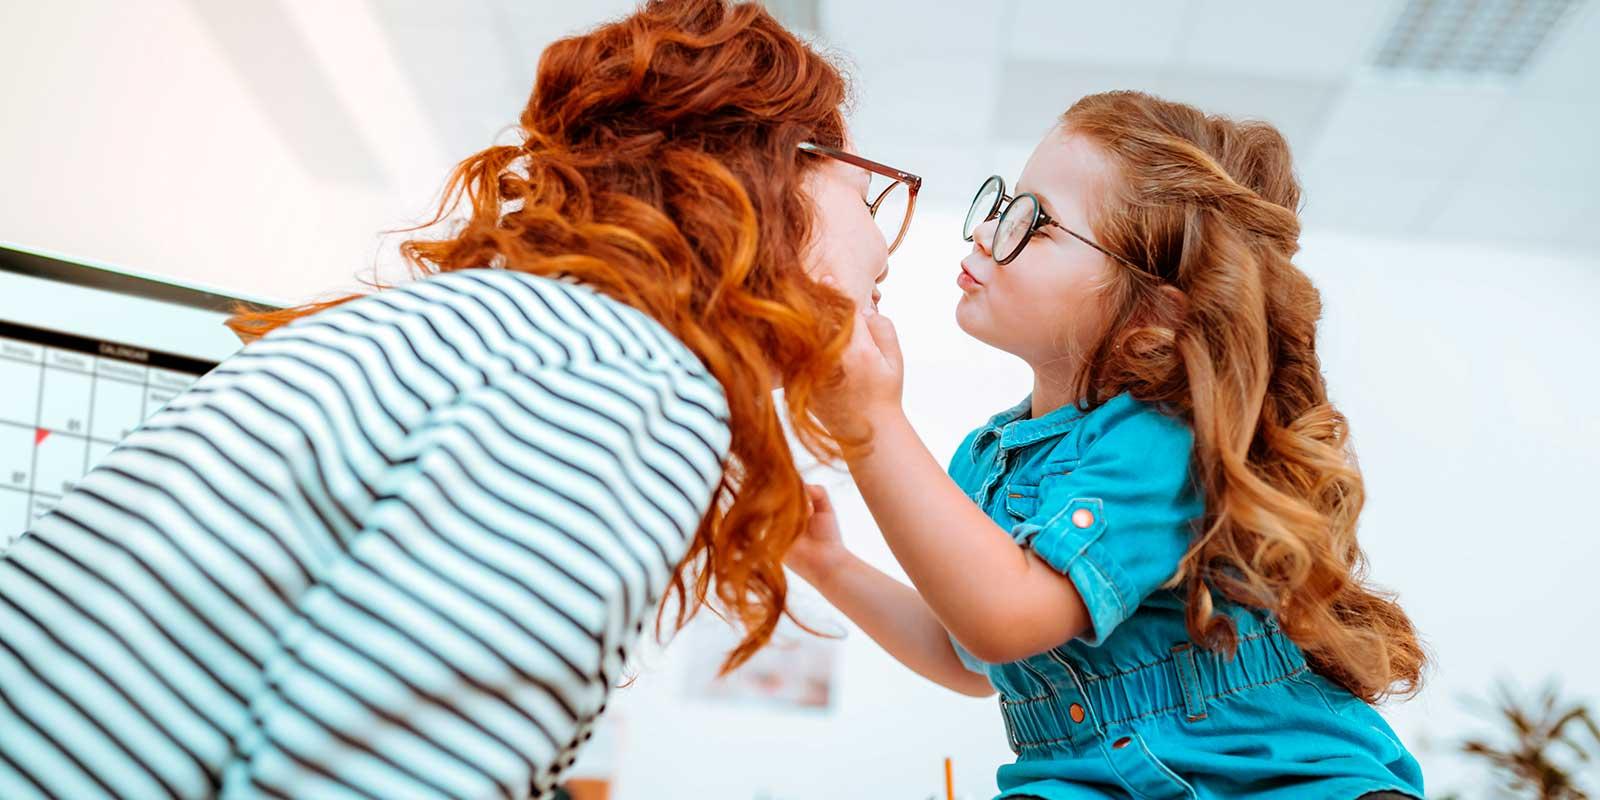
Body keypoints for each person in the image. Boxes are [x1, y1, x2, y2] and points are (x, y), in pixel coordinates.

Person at [0, 1, 916, 797]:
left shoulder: (512, 326)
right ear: (776, 174)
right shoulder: (626, 378)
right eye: (871, 190)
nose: (886, 245)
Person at [791, 91, 1427, 799]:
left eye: (1035, 224)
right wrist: (831, 565)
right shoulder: (983, 459)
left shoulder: (1162, 439)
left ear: (1151, 309)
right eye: (1005, 204)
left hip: (1279, 781)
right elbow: (967, 649)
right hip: (1091, 780)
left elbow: (1004, 617)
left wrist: (871, 418)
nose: (988, 232)